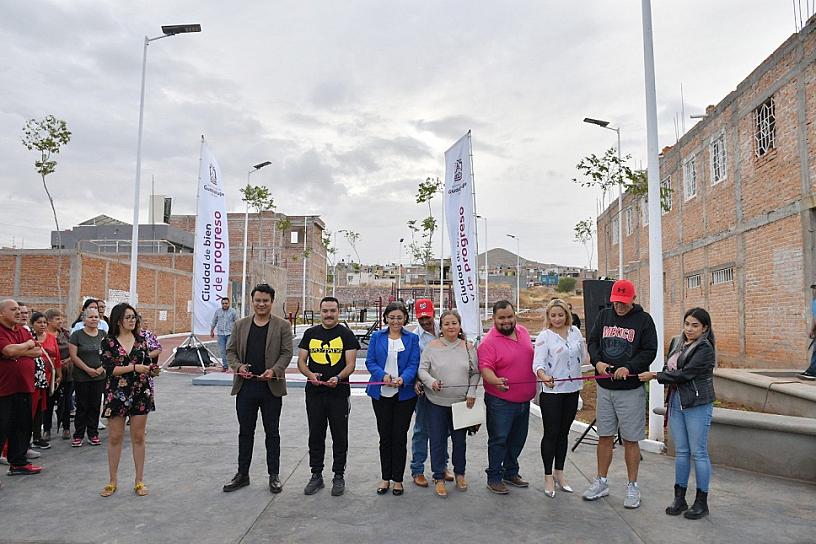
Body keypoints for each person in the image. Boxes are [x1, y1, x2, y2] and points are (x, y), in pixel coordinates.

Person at [583, 278, 658, 509]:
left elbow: (650, 350)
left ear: (633, 299)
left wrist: (631, 367)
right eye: (616, 301)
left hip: (630, 390)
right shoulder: (604, 316)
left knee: (630, 440)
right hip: (605, 389)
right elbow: (593, 341)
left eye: (624, 302)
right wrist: (597, 362)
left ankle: (632, 486)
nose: (620, 306)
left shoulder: (643, 320)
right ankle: (602, 481)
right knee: (604, 436)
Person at [639, 307, 716, 520]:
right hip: (676, 402)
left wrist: (655, 375)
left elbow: (685, 374)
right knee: (681, 451)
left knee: (698, 452)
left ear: (705, 328)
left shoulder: (705, 348)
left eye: (695, 325)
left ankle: (701, 502)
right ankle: (679, 497)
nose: (689, 329)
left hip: (697, 403)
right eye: (687, 324)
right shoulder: (677, 343)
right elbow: (669, 366)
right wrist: (662, 372)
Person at [223, 283, 293, 494]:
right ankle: (242, 474)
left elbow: (286, 353)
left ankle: (274, 475)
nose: (261, 304)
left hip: (271, 388)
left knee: (272, 433)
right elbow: (231, 351)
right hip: (246, 389)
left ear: (272, 302)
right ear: (252, 301)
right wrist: (238, 367)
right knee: (245, 432)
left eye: (265, 301)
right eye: (258, 300)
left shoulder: (282, 326)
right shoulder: (240, 325)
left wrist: (274, 370)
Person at [297, 297, 359, 496]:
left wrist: (338, 377)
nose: (329, 314)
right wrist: (310, 375)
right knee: (316, 435)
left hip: (338, 394)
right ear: (320, 312)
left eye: (332, 310)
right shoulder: (310, 333)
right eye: (325, 311)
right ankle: (316, 475)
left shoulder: (346, 334)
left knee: (340, 436)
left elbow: (351, 364)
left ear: (338, 312)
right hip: (314, 394)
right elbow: (301, 361)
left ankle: (338, 476)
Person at [417, 310, 480, 497]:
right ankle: (439, 477)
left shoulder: (469, 347)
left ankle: (460, 473)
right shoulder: (432, 346)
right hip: (435, 402)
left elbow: (475, 372)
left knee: (460, 441)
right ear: (441, 327)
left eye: (454, 323)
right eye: (447, 324)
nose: (451, 327)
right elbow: (422, 370)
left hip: (461, 403)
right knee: (437, 441)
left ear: (459, 325)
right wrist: (430, 382)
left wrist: (471, 391)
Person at [99, 303, 160, 497]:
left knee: (138, 437)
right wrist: (133, 368)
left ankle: (139, 481)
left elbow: (148, 364)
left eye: (134, 317)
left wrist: (152, 371)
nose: (132, 320)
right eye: (128, 317)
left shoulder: (141, 341)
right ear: (118, 320)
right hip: (117, 393)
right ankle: (112, 480)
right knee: (115, 437)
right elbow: (109, 370)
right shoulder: (108, 342)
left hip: (141, 392)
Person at [478, 300, 536, 494]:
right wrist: (496, 381)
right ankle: (494, 477)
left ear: (514, 316)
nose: (506, 321)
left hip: (524, 400)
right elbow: (485, 369)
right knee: (499, 440)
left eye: (509, 317)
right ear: (494, 318)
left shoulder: (524, 332)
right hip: (500, 401)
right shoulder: (488, 342)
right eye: (501, 318)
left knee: (518, 439)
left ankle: (511, 472)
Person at [533, 299, 587, 498]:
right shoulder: (544, 337)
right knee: (551, 433)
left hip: (572, 390)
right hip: (552, 392)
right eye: (553, 315)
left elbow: (584, 357)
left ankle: (560, 473)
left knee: (564, 433)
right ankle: (548, 475)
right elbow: (537, 363)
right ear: (548, 317)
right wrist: (544, 376)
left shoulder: (576, 333)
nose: (557, 319)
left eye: (560, 315)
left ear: (567, 315)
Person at [365, 302, 420, 496]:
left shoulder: (412, 339)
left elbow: (414, 363)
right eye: (392, 317)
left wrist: (403, 379)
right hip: (381, 394)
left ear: (405, 318)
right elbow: (370, 361)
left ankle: (398, 479)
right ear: (386, 318)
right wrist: (383, 376)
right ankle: (385, 477)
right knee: (385, 436)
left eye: (399, 317)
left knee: (399, 437)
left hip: (404, 395)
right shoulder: (376, 337)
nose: (395, 321)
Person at [410, 298, 453, 488]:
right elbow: (414, 363)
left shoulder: (446, 328)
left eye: (427, 317)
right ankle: (417, 469)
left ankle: (442, 466)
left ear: (433, 313)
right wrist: (417, 381)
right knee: (422, 430)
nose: (425, 322)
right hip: (425, 390)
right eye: (421, 319)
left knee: (444, 430)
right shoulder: (415, 338)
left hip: (447, 388)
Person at [0, 300, 43, 481]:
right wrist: (25, 347)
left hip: (24, 387)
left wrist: (20, 349)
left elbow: (38, 351)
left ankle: (18, 463)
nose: (18, 313)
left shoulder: (23, 331)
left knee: (22, 426)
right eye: (14, 310)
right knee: (2, 429)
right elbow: (8, 350)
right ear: (1, 313)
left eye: (19, 309)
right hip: (4, 390)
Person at [68, 307, 106, 447]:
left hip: (99, 376)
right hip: (81, 377)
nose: (94, 319)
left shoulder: (104, 335)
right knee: (82, 406)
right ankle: (78, 435)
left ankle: (93, 434)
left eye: (96, 317)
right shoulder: (77, 335)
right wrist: (88, 369)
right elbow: (74, 356)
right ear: (84, 319)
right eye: (90, 317)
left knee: (95, 406)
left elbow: (108, 355)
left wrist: (100, 369)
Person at [30, 312, 61, 450]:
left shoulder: (51, 338)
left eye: (44, 322)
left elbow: (57, 358)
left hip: (49, 378)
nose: (42, 325)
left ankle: (38, 436)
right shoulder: (28, 338)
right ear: (32, 324)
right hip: (32, 378)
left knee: (42, 409)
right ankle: (26, 439)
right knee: (30, 408)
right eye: (39, 322)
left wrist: (59, 375)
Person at [44, 309, 71, 441]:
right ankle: (47, 430)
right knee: (49, 402)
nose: (60, 321)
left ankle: (66, 428)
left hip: (66, 373)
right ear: (48, 320)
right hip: (50, 374)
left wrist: (68, 360)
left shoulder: (65, 334)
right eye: (57, 319)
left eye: (61, 318)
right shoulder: (43, 335)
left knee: (66, 401)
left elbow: (73, 350)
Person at [211, 297, 237, 372]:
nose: (224, 305)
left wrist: (237, 333)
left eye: (226, 303)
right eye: (223, 303)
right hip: (221, 334)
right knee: (222, 351)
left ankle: (230, 366)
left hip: (230, 333)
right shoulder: (218, 312)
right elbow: (214, 321)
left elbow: (237, 322)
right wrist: (211, 331)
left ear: (229, 303)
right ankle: (225, 366)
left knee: (229, 350)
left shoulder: (233, 312)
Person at [798, 283, 816, 380]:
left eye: (815, 289)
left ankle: (812, 372)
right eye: (813, 288)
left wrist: (812, 330)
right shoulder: (814, 302)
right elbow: (814, 318)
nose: (814, 291)